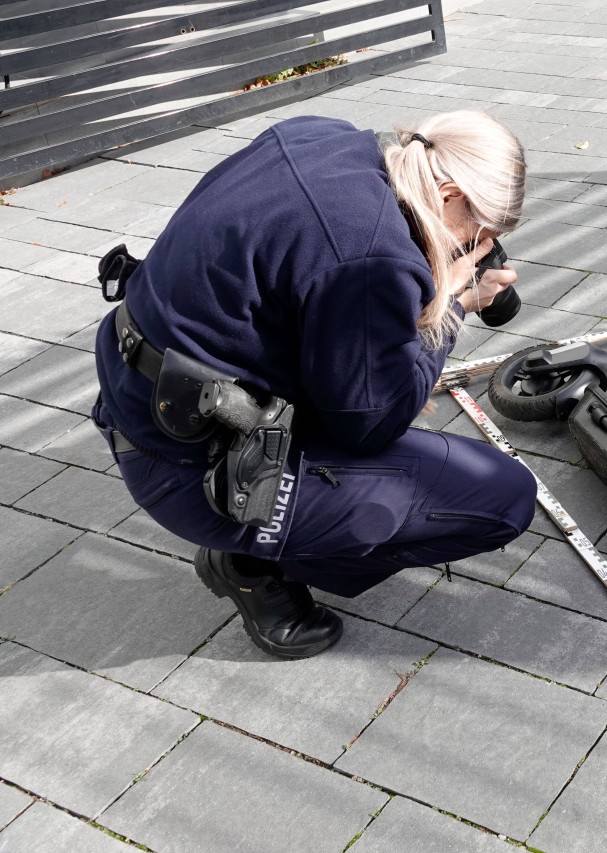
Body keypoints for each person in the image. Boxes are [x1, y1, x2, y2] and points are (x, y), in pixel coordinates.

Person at [92, 111, 538, 659]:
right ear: (446, 194)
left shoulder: (319, 136)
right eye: (483, 228)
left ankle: (269, 541)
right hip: (192, 468)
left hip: (142, 390)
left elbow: (303, 268)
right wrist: (454, 307)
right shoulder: (371, 255)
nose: (482, 243)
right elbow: (371, 425)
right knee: (502, 498)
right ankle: (255, 563)